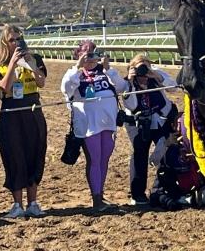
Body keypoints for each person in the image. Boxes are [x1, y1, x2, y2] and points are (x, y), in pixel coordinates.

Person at [61, 40, 130, 210]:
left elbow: (122, 87)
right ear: (78, 55)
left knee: (104, 159)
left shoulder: (105, 72)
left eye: (93, 52)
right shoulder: (76, 74)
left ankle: (100, 193)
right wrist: (77, 67)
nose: (90, 57)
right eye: (86, 53)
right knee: (94, 159)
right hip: (88, 125)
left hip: (108, 123)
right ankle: (96, 199)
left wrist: (109, 69)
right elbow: (66, 88)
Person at [0, 25, 48, 219]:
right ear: (5, 42)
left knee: (35, 154)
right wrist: (13, 64)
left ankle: (33, 203)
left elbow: (41, 83)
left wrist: (31, 64)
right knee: (14, 156)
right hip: (11, 111)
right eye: (12, 40)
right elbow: (4, 89)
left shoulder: (34, 58)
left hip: (32, 109)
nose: (16, 43)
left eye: (18, 39)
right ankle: (17, 204)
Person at [123, 54, 178, 205]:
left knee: (166, 148)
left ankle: (159, 189)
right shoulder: (128, 83)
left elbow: (174, 88)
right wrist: (131, 82)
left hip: (160, 117)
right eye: (140, 68)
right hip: (137, 121)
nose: (143, 71)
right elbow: (131, 105)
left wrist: (156, 76)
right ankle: (137, 194)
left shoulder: (155, 75)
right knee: (140, 152)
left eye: (146, 66)